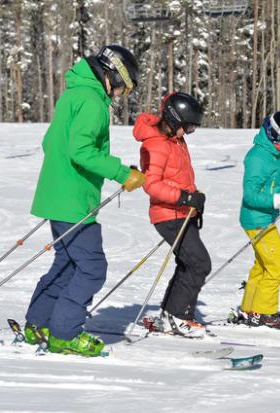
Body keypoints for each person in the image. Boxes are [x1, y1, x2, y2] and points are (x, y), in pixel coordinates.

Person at [23, 45, 145, 356]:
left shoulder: (75, 93)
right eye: (122, 85)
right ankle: (64, 333)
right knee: (92, 268)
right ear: (110, 74)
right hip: (74, 199)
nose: (120, 93)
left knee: (67, 263)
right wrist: (120, 173)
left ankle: (39, 322)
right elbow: (82, 151)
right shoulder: (92, 101)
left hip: (57, 194)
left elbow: (52, 141)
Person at [133, 92, 211, 338]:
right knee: (199, 263)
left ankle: (170, 314)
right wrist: (185, 198)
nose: (187, 133)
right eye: (187, 127)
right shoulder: (155, 144)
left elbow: (178, 176)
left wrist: (193, 198)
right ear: (173, 119)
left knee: (189, 263)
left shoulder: (175, 141)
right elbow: (151, 185)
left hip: (182, 212)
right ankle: (179, 316)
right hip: (167, 214)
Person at [238, 111, 280, 330]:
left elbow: (274, 187)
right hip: (257, 219)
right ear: (273, 133)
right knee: (278, 265)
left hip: (263, 218)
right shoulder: (258, 157)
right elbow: (250, 195)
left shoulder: (272, 156)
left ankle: (249, 307)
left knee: (262, 265)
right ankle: (264, 312)